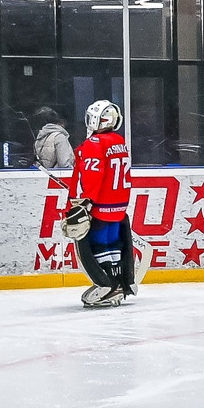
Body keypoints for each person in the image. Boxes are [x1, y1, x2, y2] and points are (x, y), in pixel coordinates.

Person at [51, 99, 140, 307]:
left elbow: (92, 175)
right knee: (112, 242)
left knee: (95, 242)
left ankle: (106, 285)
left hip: (99, 204)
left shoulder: (94, 144)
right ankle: (119, 281)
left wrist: (83, 202)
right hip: (118, 204)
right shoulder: (119, 142)